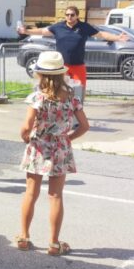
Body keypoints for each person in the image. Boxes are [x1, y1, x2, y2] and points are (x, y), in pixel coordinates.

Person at [16, 51, 90, 255]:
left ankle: (23, 237)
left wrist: (26, 137)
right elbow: (84, 125)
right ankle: (54, 243)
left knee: (31, 193)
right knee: (56, 196)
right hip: (60, 148)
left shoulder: (37, 97)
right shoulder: (71, 97)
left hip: (39, 146)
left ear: (40, 74)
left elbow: (26, 127)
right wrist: (67, 138)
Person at [18, 6, 128, 87]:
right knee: (60, 90)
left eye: (72, 15)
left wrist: (117, 37)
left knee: (80, 90)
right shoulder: (58, 26)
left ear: (77, 16)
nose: (69, 17)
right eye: (67, 15)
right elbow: (42, 30)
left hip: (78, 66)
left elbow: (101, 34)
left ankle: (78, 113)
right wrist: (26, 31)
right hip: (61, 66)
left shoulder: (84, 27)